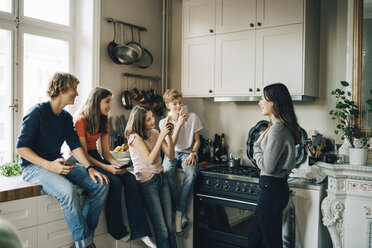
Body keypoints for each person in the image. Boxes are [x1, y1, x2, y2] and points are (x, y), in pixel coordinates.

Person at [16, 72, 109, 248]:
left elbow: (75, 147)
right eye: (74, 89)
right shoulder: (37, 112)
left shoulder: (66, 118)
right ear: (61, 89)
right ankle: (85, 244)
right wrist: (50, 166)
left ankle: (83, 240)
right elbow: (21, 148)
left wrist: (89, 168)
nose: (77, 93)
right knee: (68, 191)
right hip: (33, 168)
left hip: (57, 163)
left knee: (101, 184)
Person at [74, 87, 155, 248]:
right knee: (115, 182)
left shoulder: (104, 119)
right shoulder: (80, 120)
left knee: (130, 179)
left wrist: (115, 164)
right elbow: (83, 153)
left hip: (95, 156)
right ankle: (115, 229)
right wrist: (107, 168)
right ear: (96, 101)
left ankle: (141, 231)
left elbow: (105, 151)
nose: (110, 105)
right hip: (80, 158)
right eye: (107, 101)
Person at [247, 83, 301, 248]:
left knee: (270, 242)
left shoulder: (278, 129)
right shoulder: (280, 127)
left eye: (263, 98)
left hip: (271, 188)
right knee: (255, 239)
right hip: (275, 188)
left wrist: (256, 146)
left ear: (274, 102)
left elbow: (267, 167)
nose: (259, 102)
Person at [125, 105, 177, 248]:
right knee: (162, 229)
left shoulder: (154, 133)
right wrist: (161, 136)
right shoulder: (134, 137)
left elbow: (171, 155)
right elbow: (150, 159)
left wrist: (169, 136)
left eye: (152, 117)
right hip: (148, 183)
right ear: (140, 122)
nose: (153, 121)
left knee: (170, 226)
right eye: (148, 119)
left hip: (161, 179)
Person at [159, 89, 202, 236]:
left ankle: (178, 212)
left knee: (190, 173)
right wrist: (179, 124)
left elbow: (197, 141)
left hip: (188, 152)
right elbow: (172, 145)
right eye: (175, 103)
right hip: (172, 152)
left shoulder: (193, 117)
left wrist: (193, 154)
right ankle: (180, 211)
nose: (179, 106)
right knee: (166, 172)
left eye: (180, 102)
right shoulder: (164, 122)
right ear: (167, 105)